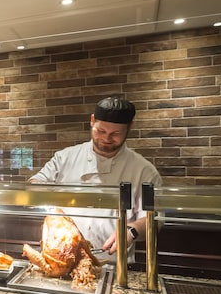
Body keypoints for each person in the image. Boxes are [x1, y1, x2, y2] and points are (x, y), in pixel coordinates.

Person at [28, 96, 162, 255]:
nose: (106, 138)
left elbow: (154, 219)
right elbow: (34, 185)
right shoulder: (65, 158)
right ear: (92, 121)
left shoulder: (144, 170)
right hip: (62, 256)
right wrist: (49, 198)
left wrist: (132, 230)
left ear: (130, 127)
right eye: (101, 131)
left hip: (113, 261)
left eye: (116, 133)